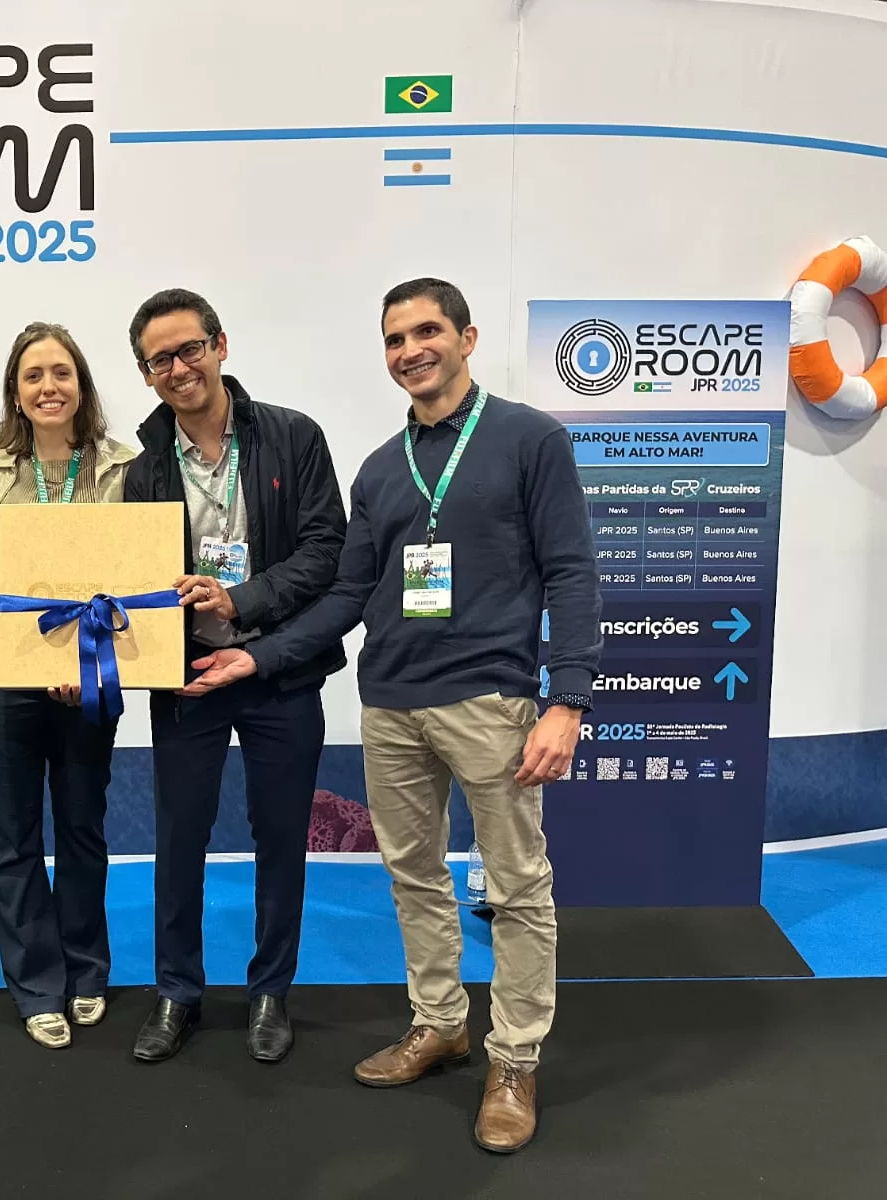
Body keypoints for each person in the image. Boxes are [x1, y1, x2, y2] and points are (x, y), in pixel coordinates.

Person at [182, 277, 602, 1153]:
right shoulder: (380, 467)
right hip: (392, 703)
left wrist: (566, 700)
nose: (411, 351)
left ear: (467, 338)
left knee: (516, 887)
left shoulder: (531, 438)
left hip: (491, 700)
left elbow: (571, 571)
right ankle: (439, 1022)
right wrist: (258, 651)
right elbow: (348, 593)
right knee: (413, 876)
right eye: (395, 339)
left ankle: (515, 1059)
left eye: (427, 332)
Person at [120, 288, 348, 1064]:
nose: (179, 368)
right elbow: (133, 584)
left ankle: (270, 991)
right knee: (178, 838)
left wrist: (242, 599)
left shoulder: (293, 436)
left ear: (220, 346)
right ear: (146, 375)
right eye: (160, 359)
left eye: (190, 349)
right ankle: (176, 992)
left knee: (280, 837)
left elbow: (325, 551)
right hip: (188, 678)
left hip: (280, 670)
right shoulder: (142, 470)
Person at [0, 321, 138, 1049]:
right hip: (8, 658)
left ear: (82, 385)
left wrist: (79, 653)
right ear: (15, 391)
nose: (48, 387)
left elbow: (136, 564)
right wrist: (30, 644)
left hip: (92, 658)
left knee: (83, 823)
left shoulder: (124, 465)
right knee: (16, 831)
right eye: (32, 376)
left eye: (61, 373)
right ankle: (36, 982)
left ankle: (87, 968)